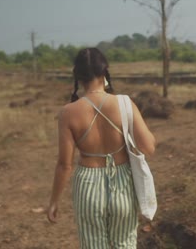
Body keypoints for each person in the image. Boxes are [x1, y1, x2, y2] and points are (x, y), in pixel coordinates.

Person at [47, 47, 156, 248]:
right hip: (122, 183)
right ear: (104, 71)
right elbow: (148, 147)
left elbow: (64, 165)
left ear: (78, 76)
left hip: (88, 186)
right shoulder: (124, 103)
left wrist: (54, 201)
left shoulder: (68, 112)